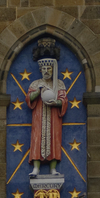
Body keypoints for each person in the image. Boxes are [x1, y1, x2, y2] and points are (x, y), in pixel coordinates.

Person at [27, 39, 67, 177]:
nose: (46, 71)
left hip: (53, 117)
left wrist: (56, 103)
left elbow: (64, 100)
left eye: (48, 68)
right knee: (37, 139)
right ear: (40, 70)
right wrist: (38, 91)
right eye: (43, 69)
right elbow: (29, 98)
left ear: (52, 69)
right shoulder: (35, 83)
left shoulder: (59, 84)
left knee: (54, 139)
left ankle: (53, 169)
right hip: (38, 117)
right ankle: (36, 168)